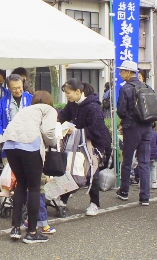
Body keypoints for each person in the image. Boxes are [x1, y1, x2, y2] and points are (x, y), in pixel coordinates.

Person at [2, 91, 58, 243]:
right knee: (34, 188)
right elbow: (49, 131)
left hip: (9, 145)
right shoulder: (49, 109)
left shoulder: (27, 109)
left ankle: (15, 228)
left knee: (21, 183)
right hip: (29, 146)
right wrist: (53, 142)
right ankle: (32, 233)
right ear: (49, 101)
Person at [59, 78, 111, 216]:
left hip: (94, 144)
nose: (67, 96)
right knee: (71, 169)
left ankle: (94, 203)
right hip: (78, 143)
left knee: (91, 173)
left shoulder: (93, 107)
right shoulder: (72, 104)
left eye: (69, 93)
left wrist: (75, 130)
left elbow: (97, 131)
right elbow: (63, 115)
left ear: (78, 91)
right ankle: (63, 199)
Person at [115, 60, 152, 206]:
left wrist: (124, 121)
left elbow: (122, 111)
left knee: (127, 160)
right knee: (144, 162)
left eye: (122, 71)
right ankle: (145, 197)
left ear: (129, 72)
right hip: (147, 127)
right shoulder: (147, 87)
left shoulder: (126, 89)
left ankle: (124, 191)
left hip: (131, 128)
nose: (120, 74)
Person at [0, 74, 34, 144]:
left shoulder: (31, 99)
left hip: (29, 140)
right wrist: (0, 141)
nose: (18, 90)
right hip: (9, 140)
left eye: (20, 87)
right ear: (9, 87)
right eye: (14, 88)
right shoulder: (2, 102)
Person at [149, 123, 157, 189]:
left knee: (142, 167)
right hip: (152, 153)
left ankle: (141, 183)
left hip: (143, 153)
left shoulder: (142, 131)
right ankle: (154, 182)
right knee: (152, 167)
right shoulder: (154, 132)